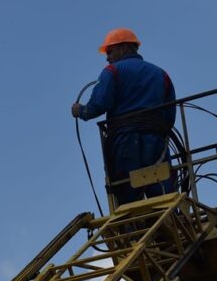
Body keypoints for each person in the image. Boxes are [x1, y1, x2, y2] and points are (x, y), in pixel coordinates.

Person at [71, 28, 176, 206]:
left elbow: (98, 105)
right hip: (157, 141)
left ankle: (132, 228)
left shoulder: (112, 72)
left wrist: (80, 111)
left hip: (125, 142)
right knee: (162, 195)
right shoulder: (161, 74)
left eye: (110, 51)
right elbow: (170, 115)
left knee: (128, 199)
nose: (107, 57)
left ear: (124, 48)